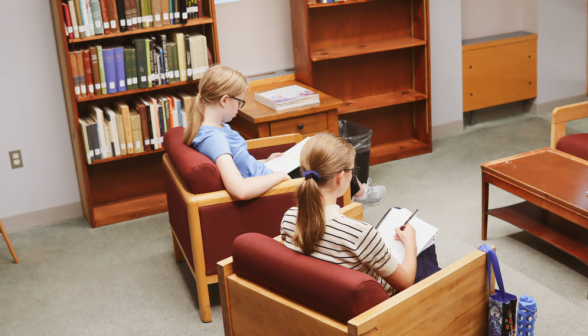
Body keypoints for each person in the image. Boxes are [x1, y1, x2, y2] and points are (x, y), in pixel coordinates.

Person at [183, 65, 386, 205]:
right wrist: (279, 176)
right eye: (240, 102)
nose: (239, 108)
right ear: (225, 100)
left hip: (266, 173)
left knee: (325, 152)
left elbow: (236, 163)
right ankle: (361, 195)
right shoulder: (214, 138)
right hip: (271, 186)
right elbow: (240, 190)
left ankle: (358, 194)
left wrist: (265, 160)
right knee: (333, 159)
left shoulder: (215, 127)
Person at [280, 133, 440, 295]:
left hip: (325, 296)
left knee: (397, 211)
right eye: (352, 170)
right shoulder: (360, 234)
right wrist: (411, 243)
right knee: (425, 253)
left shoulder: (289, 218)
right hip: (383, 304)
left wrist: (371, 243)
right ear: (341, 177)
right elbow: (406, 283)